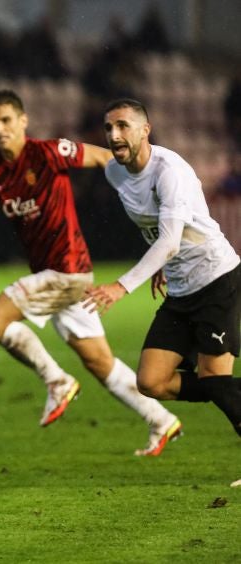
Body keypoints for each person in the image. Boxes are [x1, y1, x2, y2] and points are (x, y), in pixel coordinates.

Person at [0, 90, 181, 456]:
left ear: (23, 120)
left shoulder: (47, 153)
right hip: (51, 277)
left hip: (68, 271)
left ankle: (56, 380)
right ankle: (161, 420)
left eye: (6, 120)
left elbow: (101, 156)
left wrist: (144, 180)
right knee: (98, 361)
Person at [85, 98, 241, 449]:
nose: (114, 134)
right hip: (180, 288)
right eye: (109, 127)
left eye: (123, 125)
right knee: (151, 381)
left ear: (145, 129)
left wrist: (121, 286)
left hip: (216, 279)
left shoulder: (170, 171)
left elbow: (170, 240)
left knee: (216, 380)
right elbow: (159, 236)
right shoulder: (116, 171)